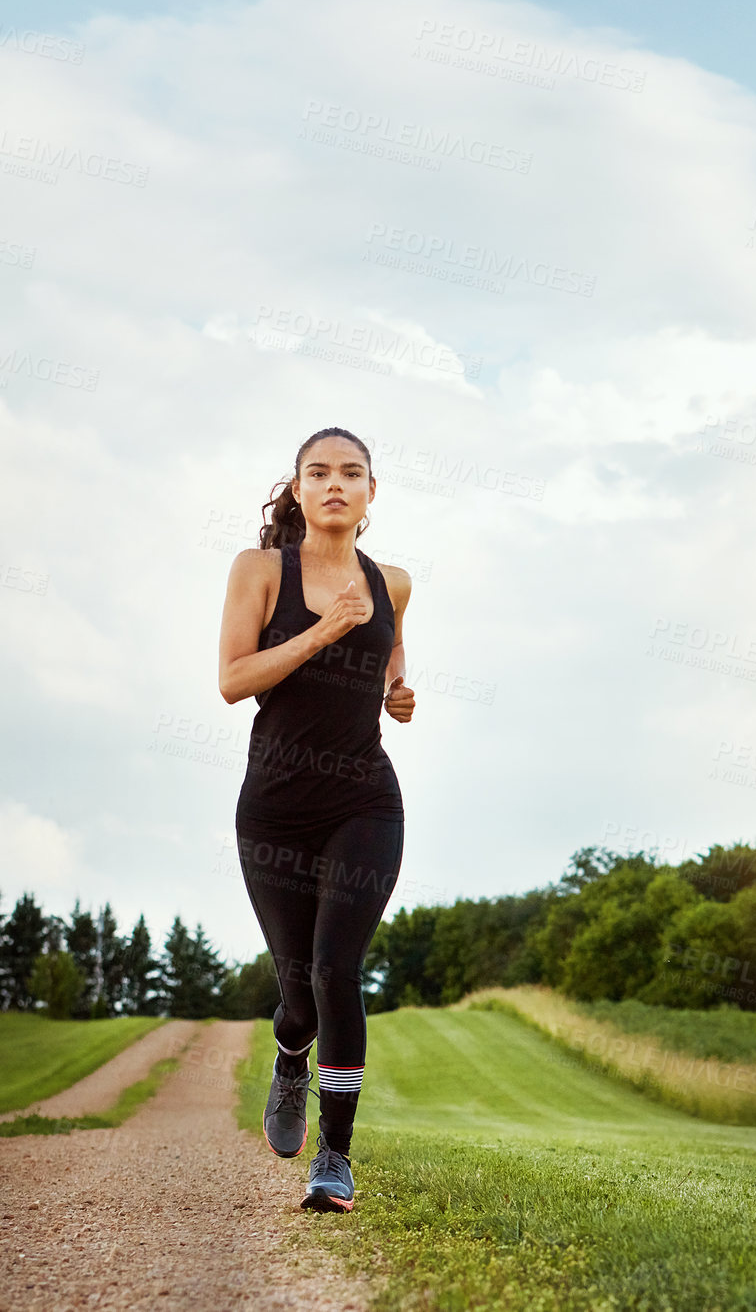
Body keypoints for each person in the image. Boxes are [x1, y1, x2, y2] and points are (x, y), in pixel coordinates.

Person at [218, 426, 415, 1212]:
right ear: (296, 490)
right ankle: (289, 1053)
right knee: (299, 991)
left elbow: (392, 664)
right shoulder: (259, 569)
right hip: (272, 810)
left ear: (371, 493)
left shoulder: (392, 582)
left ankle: (335, 1156)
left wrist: (399, 693)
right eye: (318, 472)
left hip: (364, 800)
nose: (335, 483)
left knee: (338, 969)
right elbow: (233, 680)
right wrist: (321, 630)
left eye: (351, 472)